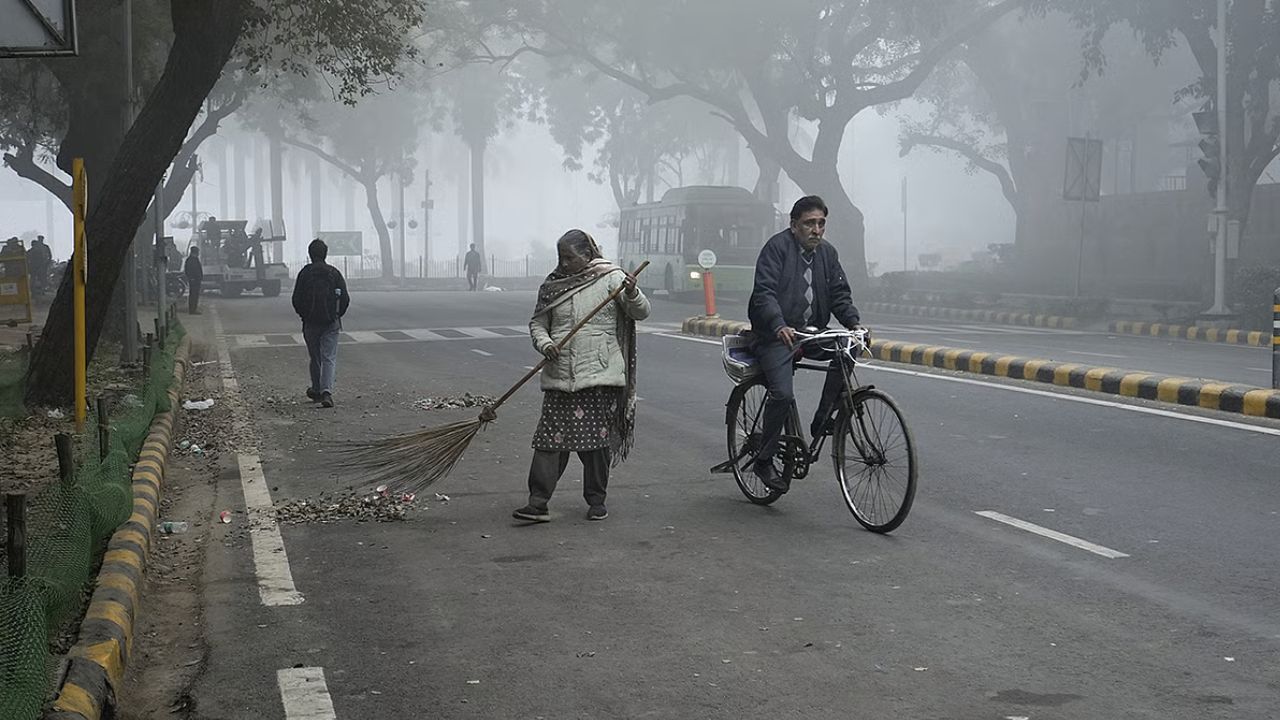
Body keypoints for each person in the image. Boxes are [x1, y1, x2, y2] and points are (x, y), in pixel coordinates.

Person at [512, 230, 649, 523]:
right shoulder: (552, 285)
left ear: (588, 255)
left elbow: (641, 312)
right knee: (549, 442)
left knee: (596, 445)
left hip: (599, 375)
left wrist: (632, 292)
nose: (564, 264)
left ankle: (596, 501)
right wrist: (545, 344)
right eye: (560, 257)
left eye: (570, 258)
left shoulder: (612, 278)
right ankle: (537, 503)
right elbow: (538, 322)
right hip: (559, 376)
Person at [747, 196, 861, 495]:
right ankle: (764, 459)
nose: (817, 229)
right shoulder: (776, 248)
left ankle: (823, 419)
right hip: (775, 336)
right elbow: (764, 293)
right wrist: (778, 324)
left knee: (848, 347)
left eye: (821, 223)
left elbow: (839, 295)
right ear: (794, 225)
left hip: (812, 334)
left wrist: (854, 324)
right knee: (782, 394)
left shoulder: (828, 254)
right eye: (810, 223)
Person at [291, 239, 350, 409]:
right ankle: (326, 392)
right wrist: (336, 315)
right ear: (326, 254)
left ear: (310, 254)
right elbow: (345, 299)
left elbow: (296, 299)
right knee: (329, 358)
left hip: (310, 323)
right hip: (331, 322)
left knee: (315, 357)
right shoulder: (334, 273)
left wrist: (305, 315)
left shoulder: (305, 273)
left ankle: (316, 389)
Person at [183, 246, 204, 315]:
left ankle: (194, 309)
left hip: (197, 280)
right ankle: (192, 310)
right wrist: (191, 278)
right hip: (193, 280)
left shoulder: (195, 259)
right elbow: (188, 270)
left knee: (195, 295)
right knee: (193, 295)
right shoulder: (190, 260)